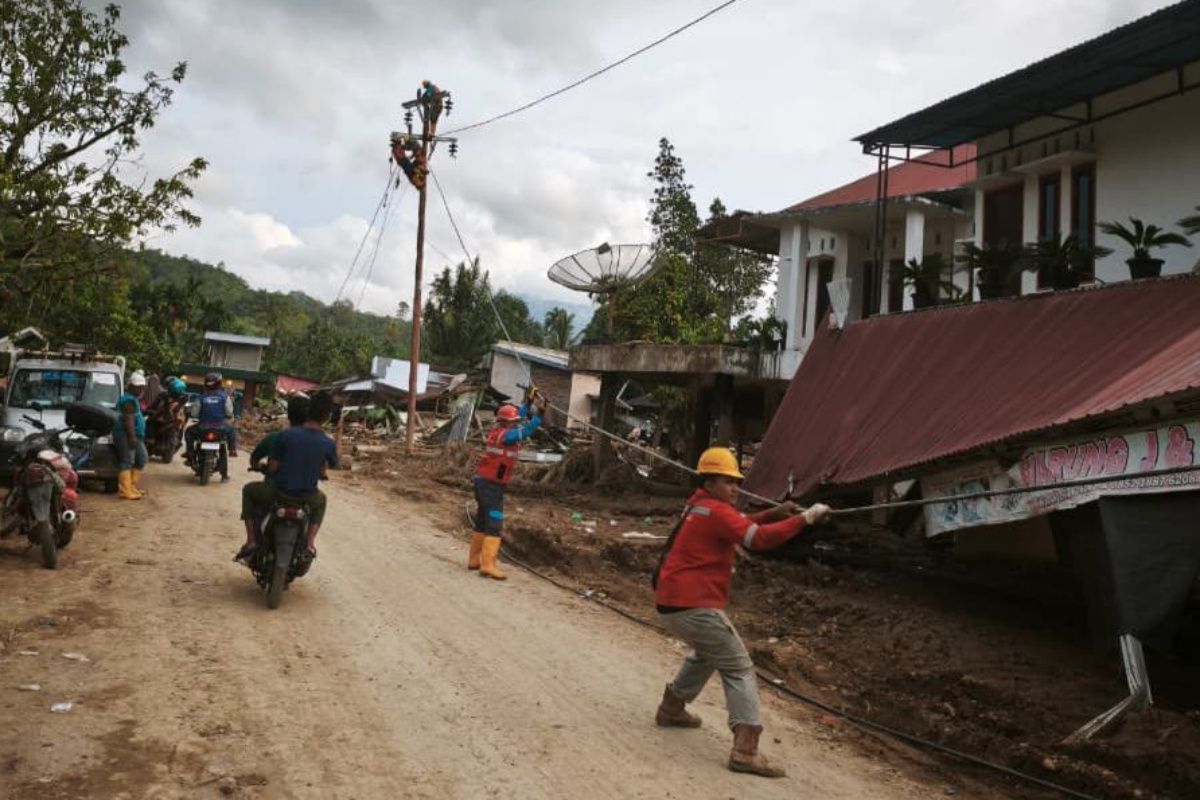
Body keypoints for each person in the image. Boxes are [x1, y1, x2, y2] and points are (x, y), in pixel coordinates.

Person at [652, 447, 831, 778]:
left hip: (672, 600)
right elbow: (757, 540)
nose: (736, 488)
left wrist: (774, 513)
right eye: (729, 482)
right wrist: (802, 520)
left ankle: (672, 708)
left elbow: (740, 525)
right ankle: (746, 750)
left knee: (707, 654)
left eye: (737, 482)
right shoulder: (716, 511)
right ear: (711, 481)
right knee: (739, 667)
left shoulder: (699, 505)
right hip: (694, 604)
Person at [238, 393, 336, 563]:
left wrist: (266, 469)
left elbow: (273, 468)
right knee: (322, 501)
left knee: (248, 490)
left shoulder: (285, 436)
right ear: (327, 417)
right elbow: (332, 465)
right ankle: (310, 544)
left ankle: (251, 541)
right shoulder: (327, 442)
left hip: (279, 492)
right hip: (307, 497)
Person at [469, 395, 546, 580]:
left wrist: (528, 403)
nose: (516, 423)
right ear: (507, 422)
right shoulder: (508, 436)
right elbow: (525, 432)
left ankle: (474, 560)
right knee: (494, 523)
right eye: (514, 422)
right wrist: (539, 416)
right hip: (492, 485)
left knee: (482, 520)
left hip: (482, 481)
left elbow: (517, 416)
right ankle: (487, 565)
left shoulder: (498, 432)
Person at [185, 372, 238, 464]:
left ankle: (190, 452)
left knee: (188, 432)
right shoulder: (224, 396)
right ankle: (232, 450)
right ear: (219, 383)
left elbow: (194, 413)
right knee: (232, 431)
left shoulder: (201, 397)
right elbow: (229, 412)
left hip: (202, 427)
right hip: (220, 427)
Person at [113, 370, 149, 500]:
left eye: (142, 387)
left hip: (134, 434)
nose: (141, 390)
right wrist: (132, 437)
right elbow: (129, 420)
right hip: (124, 433)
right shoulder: (128, 400)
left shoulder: (133, 399)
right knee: (126, 460)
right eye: (139, 387)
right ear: (132, 386)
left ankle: (131, 486)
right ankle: (124, 491)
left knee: (141, 458)